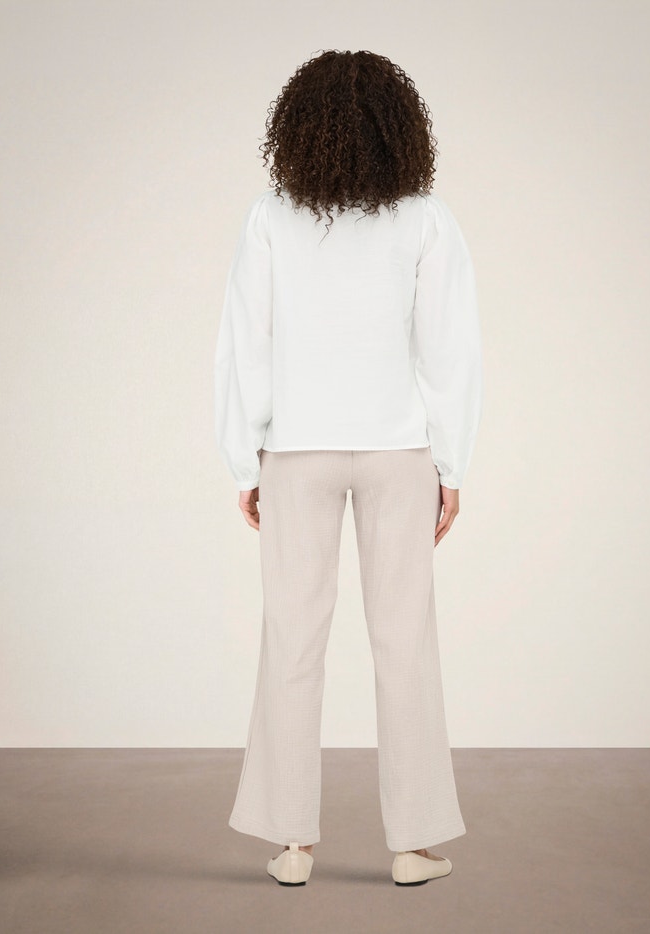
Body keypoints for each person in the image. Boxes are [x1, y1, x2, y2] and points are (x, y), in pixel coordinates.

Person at [214, 48, 483, 887]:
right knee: (406, 642)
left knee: (291, 638)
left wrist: (246, 456)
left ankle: (292, 845)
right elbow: (450, 350)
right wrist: (451, 465)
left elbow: (246, 342)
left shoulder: (271, 216)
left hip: (297, 451)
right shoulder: (424, 218)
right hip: (399, 452)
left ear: (300, 126)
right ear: (400, 126)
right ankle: (412, 845)